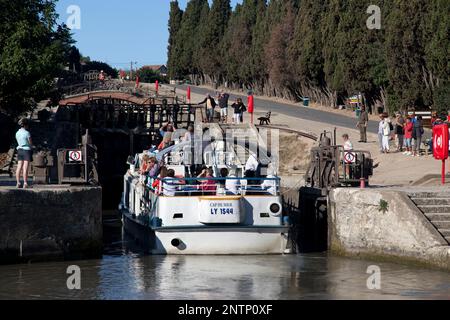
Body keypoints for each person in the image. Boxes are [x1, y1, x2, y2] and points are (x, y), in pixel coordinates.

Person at [15, 118, 33, 188]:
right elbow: (30, 143)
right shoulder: (27, 133)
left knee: (19, 166)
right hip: (26, 150)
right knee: (25, 167)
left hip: (19, 150)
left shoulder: (17, 133)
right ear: (26, 125)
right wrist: (31, 147)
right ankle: (25, 183)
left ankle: (18, 183)